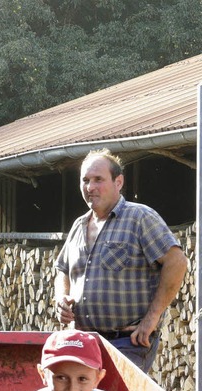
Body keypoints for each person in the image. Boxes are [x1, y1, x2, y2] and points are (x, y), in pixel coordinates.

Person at [54, 149, 187, 373]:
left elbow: (177, 262)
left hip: (127, 342)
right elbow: (62, 270)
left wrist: (151, 319)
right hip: (84, 342)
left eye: (98, 179)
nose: (90, 187)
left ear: (119, 182)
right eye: (85, 180)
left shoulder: (140, 218)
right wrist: (61, 299)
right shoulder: (79, 225)